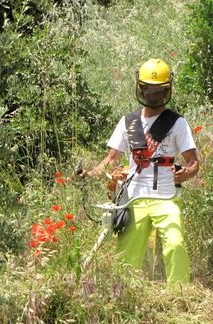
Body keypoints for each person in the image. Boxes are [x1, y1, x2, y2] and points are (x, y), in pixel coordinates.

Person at [80, 58, 199, 283]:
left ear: (166, 91)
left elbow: (193, 163)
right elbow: (111, 159)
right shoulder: (128, 122)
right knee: (127, 257)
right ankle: (125, 293)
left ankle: (180, 294)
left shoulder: (177, 123)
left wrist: (186, 173)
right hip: (134, 199)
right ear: (140, 88)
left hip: (166, 198)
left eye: (158, 91)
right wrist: (90, 173)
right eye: (148, 90)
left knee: (175, 243)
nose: (152, 96)